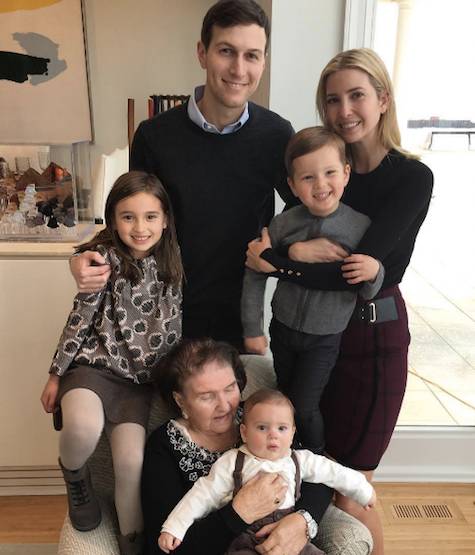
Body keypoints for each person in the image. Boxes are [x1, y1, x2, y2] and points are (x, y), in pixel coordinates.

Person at [245, 48, 434, 554]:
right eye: (332, 99)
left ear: (383, 99)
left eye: (356, 96)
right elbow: (291, 234)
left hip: (373, 342)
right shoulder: (322, 171)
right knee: (313, 469)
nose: (344, 110)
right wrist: (290, 251)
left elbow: (354, 273)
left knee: (352, 487)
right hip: (318, 339)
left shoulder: (412, 178)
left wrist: (279, 262)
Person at [69, 0, 296, 350]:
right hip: (157, 318)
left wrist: (286, 253)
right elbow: (132, 220)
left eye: (252, 55)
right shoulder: (154, 136)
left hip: (239, 321)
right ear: (202, 53)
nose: (239, 68)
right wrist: (81, 258)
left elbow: (303, 213)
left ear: (263, 62)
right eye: (226, 51)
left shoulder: (278, 136)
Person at [40, 171, 183, 555]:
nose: (140, 228)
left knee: (131, 466)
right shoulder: (103, 260)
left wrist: (174, 386)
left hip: (136, 385)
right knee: (83, 428)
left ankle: (131, 546)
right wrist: (56, 374)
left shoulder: (172, 262)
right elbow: (79, 319)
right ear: (113, 220)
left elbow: (172, 333)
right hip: (92, 370)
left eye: (150, 216)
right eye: (128, 217)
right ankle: (75, 476)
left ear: (165, 219)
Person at [142, 339, 372, 555]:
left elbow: (317, 471)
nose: (224, 405)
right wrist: (239, 513)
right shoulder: (164, 446)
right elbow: (164, 547)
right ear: (180, 400)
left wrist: (303, 520)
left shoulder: (260, 417)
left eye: (230, 388)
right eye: (207, 396)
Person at [241, 127, 384, 455]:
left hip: (325, 337)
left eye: (330, 173)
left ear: (346, 173)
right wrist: (252, 329)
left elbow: (368, 288)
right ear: (292, 185)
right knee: (283, 401)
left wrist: (374, 272)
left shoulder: (360, 227)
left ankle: (316, 461)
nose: (320, 185)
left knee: (304, 406)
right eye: (308, 177)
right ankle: (285, 459)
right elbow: (255, 270)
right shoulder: (283, 224)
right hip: (283, 328)